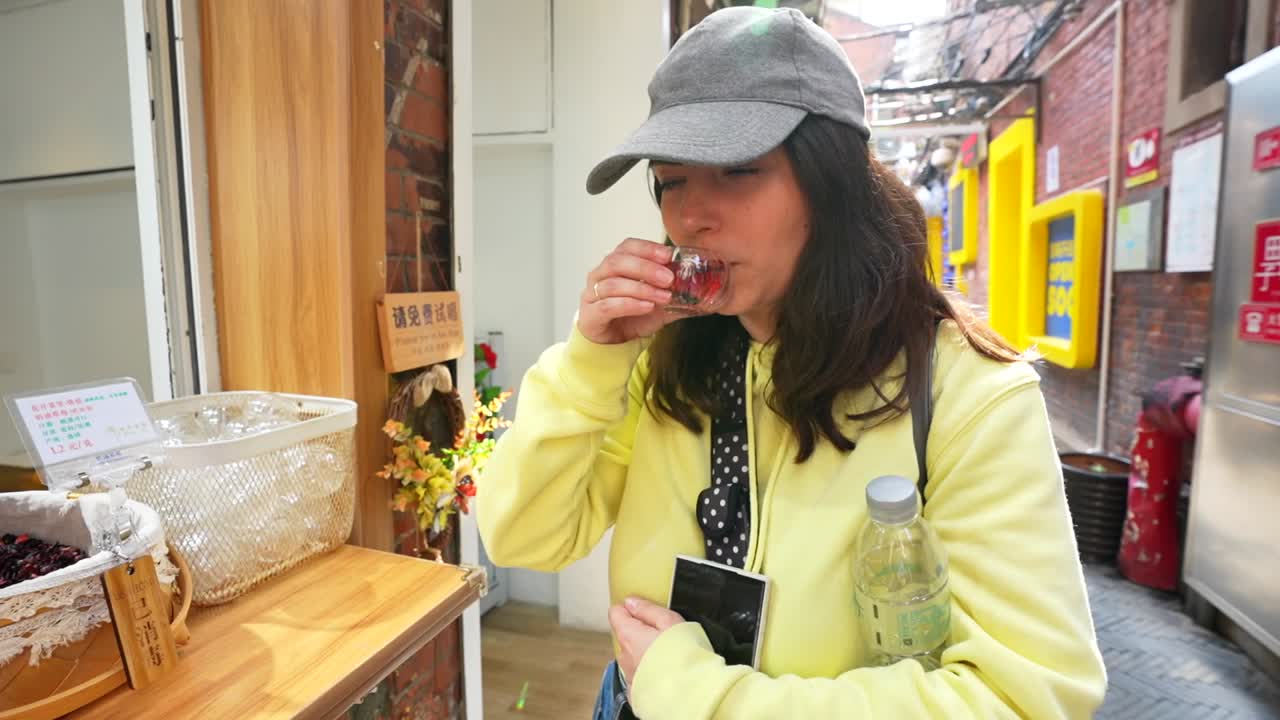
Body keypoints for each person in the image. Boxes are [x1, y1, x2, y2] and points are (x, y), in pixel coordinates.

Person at [477, 6, 1107, 719]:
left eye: (739, 170)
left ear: (831, 182)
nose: (692, 216)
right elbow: (522, 534)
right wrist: (592, 359)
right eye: (671, 180)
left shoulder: (971, 395)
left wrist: (698, 695)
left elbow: (1025, 695)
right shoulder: (663, 359)